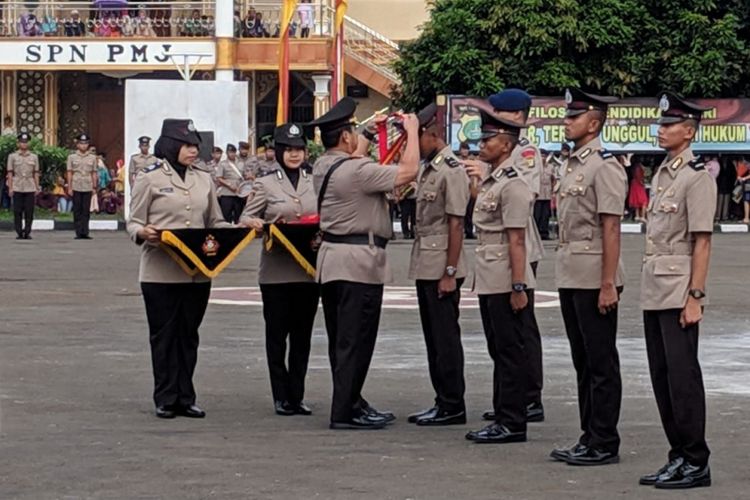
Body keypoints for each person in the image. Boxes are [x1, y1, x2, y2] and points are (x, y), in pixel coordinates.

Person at [310, 97, 420, 429]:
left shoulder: (323, 165)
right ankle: (344, 411)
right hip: (358, 263)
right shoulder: (357, 171)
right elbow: (409, 171)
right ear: (345, 138)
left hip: (334, 261)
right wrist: (411, 132)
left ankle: (352, 400)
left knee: (343, 338)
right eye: (354, 132)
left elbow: (356, 158)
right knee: (355, 339)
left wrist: (369, 135)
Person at [127, 118, 229, 420]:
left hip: (196, 272)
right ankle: (165, 397)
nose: (193, 151)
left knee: (188, 335)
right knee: (164, 336)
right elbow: (133, 220)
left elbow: (215, 221)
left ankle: (186, 396)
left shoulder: (203, 179)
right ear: (171, 146)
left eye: (196, 146)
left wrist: (234, 233)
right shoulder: (150, 178)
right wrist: (143, 232)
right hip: (160, 271)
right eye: (187, 145)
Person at [639, 93, 716, 489]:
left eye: (670, 125)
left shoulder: (696, 176)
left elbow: (702, 241)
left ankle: (696, 459)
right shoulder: (665, 172)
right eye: (661, 124)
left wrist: (695, 297)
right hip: (655, 286)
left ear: (688, 132)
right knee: (662, 376)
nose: (662, 130)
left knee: (683, 377)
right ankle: (678, 455)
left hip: (679, 290)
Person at [550, 88, 626, 466]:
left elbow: (611, 228)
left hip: (596, 275)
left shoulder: (604, 165)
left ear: (593, 123)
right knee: (583, 361)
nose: (566, 122)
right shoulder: (572, 164)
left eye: (573, 117)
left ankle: (604, 441)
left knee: (600, 362)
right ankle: (588, 435)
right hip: (571, 272)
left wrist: (608, 283)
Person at [462, 109, 535, 444]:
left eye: (489, 139)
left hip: (506, 276)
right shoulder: (494, 180)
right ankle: (503, 414)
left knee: (509, 350)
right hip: (491, 273)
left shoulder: (513, 184)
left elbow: (517, 239)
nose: (482, 144)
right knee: (498, 348)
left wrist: (519, 285)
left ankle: (513, 421)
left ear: (506, 145)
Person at [240, 123, 319, 416]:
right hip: (276, 272)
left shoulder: (316, 181)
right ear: (279, 151)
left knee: (303, 337)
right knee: (277, 336)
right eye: (290, 149)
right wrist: (254, 224)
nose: (295, 155)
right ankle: (280, 395)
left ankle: (297, 395)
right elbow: (246, 216)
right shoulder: (265, 183)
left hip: (308, 272)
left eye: (300, 149)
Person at [478, 88, 545, 424]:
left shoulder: (525, 151)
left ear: (518, 117)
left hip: (520, 243)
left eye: (502, 115)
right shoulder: (493, 152)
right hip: (495, 246)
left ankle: (529, 396)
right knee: (497, 330)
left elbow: (525, 193)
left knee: (520, 327)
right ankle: (510, 393)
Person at [407, 104, 470, 427]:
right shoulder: (429, 167)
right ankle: (441, 399)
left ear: (431, 134)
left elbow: (456, 224)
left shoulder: (451, 169)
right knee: (433, 337)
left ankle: (452, 403)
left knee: (445, 338)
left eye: (417, 138)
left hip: (443, 264)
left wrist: (449, 271)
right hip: (426, 261)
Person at [6, 132, 40, 240]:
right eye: (22, 142)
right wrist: (10, 187)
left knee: (29, 211)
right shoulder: (12, 157)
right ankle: (19, 232)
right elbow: (10, 173)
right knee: (17, 211)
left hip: (30, 186)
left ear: (29, 143)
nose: (24, 144)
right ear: (18, 143)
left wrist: (37, 186)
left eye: (26, 142)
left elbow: (36, 173)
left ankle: (27, 231)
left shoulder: (34, 157)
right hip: (17, 185)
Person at [66, 134, 98, 240]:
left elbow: (94, 173)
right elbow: (70, 173)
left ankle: (85, 232)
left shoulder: (93, 158)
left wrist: (94, 187)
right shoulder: (72, 157)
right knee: (77, 210)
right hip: (76, 185)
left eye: (85, 144)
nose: (84, 146)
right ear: (77, 144)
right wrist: (69, 187)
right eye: (81, 143)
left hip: (88, 185)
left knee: (86, 210)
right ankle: (78, 232)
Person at [215, 144, 244, 223]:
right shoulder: (223, 164)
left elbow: (244, 177)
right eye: (230, 152)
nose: (232, 154)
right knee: (226, 216)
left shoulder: (241, 163)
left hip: (239, 193)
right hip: (227, 193)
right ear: (227, 153)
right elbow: (219, 178)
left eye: (233, 152)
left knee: (239, 217)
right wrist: (229, 185)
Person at [458, 141, 476, 239]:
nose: (465, 151)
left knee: (470, 211)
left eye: (466, 149)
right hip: (460, 188)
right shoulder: (457, 161)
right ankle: (460, 230)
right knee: (460, 211)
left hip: (471, 188)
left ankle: (469, 231)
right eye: (463, 149)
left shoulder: (473, 160)